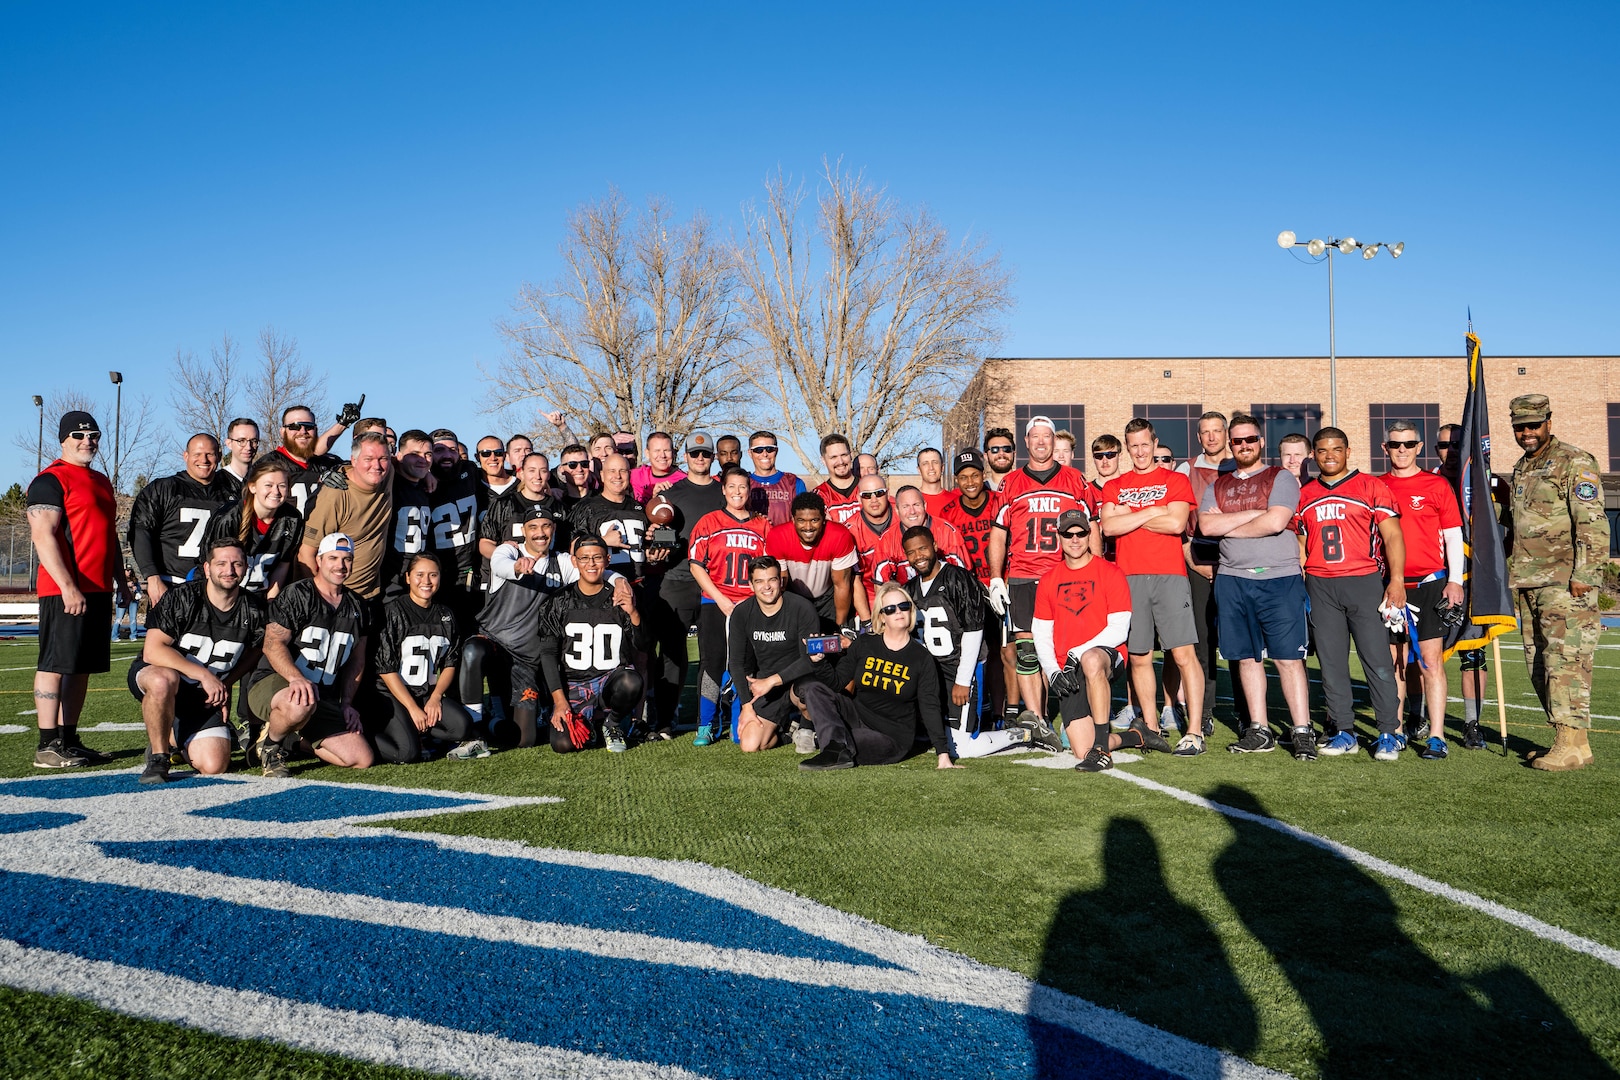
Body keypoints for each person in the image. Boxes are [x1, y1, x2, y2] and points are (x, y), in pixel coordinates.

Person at [1194, 415, 1313, 761]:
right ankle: (1259, 729)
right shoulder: (1219, 483)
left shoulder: (1281, 477)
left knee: (1288, 658)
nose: (1243, 445)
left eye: (1249, 439)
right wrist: (1256, 514)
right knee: (1246, 657)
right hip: (1233, 578)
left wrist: (1227, 523)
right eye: (1237, 441)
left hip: (1279, 577)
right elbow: (1205, 526)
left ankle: (1302, 729)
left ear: (1261, 441)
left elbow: (1277, 522)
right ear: (1230, 445)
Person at [1506, 393, 1609, 770]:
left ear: (1549, 420)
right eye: (1520, 427)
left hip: (1565, 582)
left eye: (1534, 425)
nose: (1527, 432)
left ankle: (1569, 739)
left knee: (1566, 662)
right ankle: (1575, 744)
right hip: (1530, 581)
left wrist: (1586, 575)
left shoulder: (1574, 461)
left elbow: (1593, 523)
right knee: (1540, 663)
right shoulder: (1522, 467)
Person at [1294, 427, 1407, 760]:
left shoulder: (1372, 487)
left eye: (1336, 449)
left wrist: (1396, 579)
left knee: (1378, 661)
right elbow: (1301, 543)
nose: (1330, 456)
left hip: (1363, 581)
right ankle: (1344, 730)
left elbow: (1393, 537)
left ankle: (1389, 732)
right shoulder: (1305, 494)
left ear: (1348, 451)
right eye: (1322, 450)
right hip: (1320, 583)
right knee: (1331, 664)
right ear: (1313, 454)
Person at [27, 411, 130, 768]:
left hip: (98, 589)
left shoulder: (101, 481)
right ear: (63, 440)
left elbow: (109, 536)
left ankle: (69, 740)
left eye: (93, 436)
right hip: (65, 591)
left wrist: (122, 582)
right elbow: (44, 537)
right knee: (55, 663)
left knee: (80, 666)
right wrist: (68, 587)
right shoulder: (49, 480)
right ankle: (47, 744)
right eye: (78, 436)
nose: (88, 442)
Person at [987, 414, 1097, 738]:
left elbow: (1094, 529)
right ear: (1027, 442)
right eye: (1034, 437)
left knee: (1069, 650)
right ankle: (1036, 718)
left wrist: (1097, 570)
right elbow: (998, 532)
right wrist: (996, 578)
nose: (1040, 442)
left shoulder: (1075, 480)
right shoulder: (1011, 483)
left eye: (1046, 437)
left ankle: (1073, 717)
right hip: (1022, 575)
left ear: (1053, 441)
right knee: (1027, 649)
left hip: (1064, 575)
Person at [1100, 418, 1201, 755]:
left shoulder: (1175, 479)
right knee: (1139, 656)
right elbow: (1109, 528)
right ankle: (1153, 727)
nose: (1140, 452)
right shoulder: (1115, 486)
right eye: (1134, 446)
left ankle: (1194, 730)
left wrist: (1134, 513)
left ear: (1154, 444)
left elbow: (1175, 523)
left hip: (1170, 575)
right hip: (1129, 578)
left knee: (1182, 654)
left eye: (1145, 445)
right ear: (1127, 448)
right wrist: (1151, 511)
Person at [129, 537, 266, 782]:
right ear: (207, 568)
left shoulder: (255, 608)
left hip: (202, 696)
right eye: (221, 563)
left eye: (237, 564)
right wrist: (204, 674)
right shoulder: (183, 597)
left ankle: (174, 735)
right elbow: (152, 651)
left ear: (246, 568)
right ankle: (159, 757)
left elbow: (255, 653)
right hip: (160, 678)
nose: (229, 570)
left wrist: (225, 684)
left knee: (214, 764)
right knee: (164, 679)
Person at [462, 508, 597, 749]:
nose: (540, 533)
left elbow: (594, 571)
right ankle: (471, 732)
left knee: (525, 739)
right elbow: (500, 564)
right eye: (533, 527)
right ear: (523, 531)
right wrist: (517, 566)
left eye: (546, 526)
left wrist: (618, 581)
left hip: (526, 660)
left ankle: (492, 723)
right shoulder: (509, 551)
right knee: (473, 650)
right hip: (494, 644)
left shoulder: (562, 563)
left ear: (553, 530)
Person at [905, 526, 1041, 757]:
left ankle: (1026, 733)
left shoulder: (958, 578)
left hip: (960, 668)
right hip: (932, 673)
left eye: (923, 548)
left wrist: (962, 680)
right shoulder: (910, 589)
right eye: (911, 552)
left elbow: (973, 631)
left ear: (935, 547)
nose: (918, 556)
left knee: (963, 749)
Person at [798, 581, 958, 771]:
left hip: (891, 736)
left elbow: (930, 706)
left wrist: (943, 754)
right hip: (858, 716)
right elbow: (836, 683)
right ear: (881, 617)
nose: (898, 612)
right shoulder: (864, 644)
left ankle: (834, 746)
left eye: (904, 606)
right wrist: (819, 661)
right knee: (812, 688)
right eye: (890, 609)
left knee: (845, 740)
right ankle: (835, 746)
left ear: (911, 612)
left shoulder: (921, 658)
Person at [250, 532, 374, 777]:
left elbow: (357, 661)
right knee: (299, 702)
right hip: (277, 683)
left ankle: (291, 741)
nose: (340, 565)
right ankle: (271, 746)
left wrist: (347, 704)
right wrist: (296, 678)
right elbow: (272, 644)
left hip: (318, 696)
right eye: (333, 558)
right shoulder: (298, 594)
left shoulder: (359, 606)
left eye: (347, 559)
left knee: (361, 758)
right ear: (319, 560)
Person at [1379, 420, 1466, 759]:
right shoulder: (1375, 485)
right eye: (1395, 444)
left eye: (1409, 444)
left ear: (1418, 447)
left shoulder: (1436, 485)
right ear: (1385, 448)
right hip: (1390, 587)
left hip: (1430, 584)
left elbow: (1453, 535)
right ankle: (1397, 730)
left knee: (1431, 662)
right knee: (1395, 663)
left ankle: (1437, 735)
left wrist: (1455, 580)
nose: (1402, 450)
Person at [1032, 510, 1135, 771]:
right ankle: (1137, 736)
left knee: (1090, 659)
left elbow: (1119, 630)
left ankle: (1103, 750)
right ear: (1059, 537)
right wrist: (1053, 672)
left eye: (1081, 533)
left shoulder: (1111, 572)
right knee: (1081, 750)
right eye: (1068, 534)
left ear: (1090, 535)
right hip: (1066, 668)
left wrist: (1076, 653)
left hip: (1104, 657)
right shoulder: (1048, 580)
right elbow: (1041, 633)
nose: (1075, 539)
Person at [372, 552, 484, 763]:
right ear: (407, 577)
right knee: (407, 753)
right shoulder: (394, 612)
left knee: (463, 726)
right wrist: (412, 708)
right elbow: (385, 669)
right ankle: (367, 736)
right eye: (420, 575)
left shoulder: (446, 615)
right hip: (393, 694)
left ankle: (418, 732)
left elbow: (450, 662)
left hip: (425, 692)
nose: (426, 581)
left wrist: (435, 697)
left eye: (433, 575)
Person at [539, 537, 647, 754]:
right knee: (564, 745)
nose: (591, 564)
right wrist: (560, 702)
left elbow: (643, 644)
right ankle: (594, 724)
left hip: (611, 681)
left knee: (631, 680)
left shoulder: (619, 598)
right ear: (574, 561)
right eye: (584, 558)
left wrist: (633, 612)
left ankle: (612, 723)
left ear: (607, 560)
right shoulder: (558, 601)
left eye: (597, 558)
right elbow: (548, 654)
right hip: (575, 684)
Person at [687, 467, 771, 745]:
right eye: (732, 486)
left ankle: (740, 719)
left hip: (750, 604)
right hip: (715, 600)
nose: (737, 492)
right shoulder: (709, 522)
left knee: (746, 664)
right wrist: (720, 598)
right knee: (713, 663)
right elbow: (696, 565)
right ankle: (706, 724)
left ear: (749, 491)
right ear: (723, 489)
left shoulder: (762, 526)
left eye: (743, 487)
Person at [652, 432, 726, 731]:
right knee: (672, 654)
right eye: (694, 454)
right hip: (678, 580)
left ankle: (704, 720)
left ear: (713, 458)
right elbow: (658, 536)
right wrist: (657, 546)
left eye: (705, 454)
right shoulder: (671, 495)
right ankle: (665, 719)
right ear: (685, 457)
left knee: (713, 656)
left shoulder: (724, 493)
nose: (700, 459)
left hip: (716, 583)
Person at [1174, 411, 1236, 741]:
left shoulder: (1240, 467)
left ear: (1225, 434)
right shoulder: (1188, 469)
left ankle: (1248, 716)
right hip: (1197, 563)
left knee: (1241, 641)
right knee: (1202, 642)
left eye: (1217, 431)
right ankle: (1206, 710)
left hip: (1237, 564)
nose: (1212, 437)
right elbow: (1180, 528)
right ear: (1198, 437)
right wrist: (1195, 563)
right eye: (1205, 432)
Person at [728, 556, 829, 753]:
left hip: (798, 681)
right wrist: (746, 706)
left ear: (781, 582)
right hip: (766, 687)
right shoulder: (742, 613)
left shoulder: (802, 608)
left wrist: (772, 681)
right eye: (759, 581)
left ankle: (807, 728)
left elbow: (809, 660)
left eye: (772, 579)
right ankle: (787, 732)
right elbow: (737, 663)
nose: (766, 586)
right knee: (750, 745)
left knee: (807, 690)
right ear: (751, 585)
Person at [127, 433, 233, 606]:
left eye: (210, 454)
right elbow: (141, 532)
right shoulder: (163, 488)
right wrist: (152, 578)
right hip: (170, 585)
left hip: (215, 590)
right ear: (186, 456)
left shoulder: (230, 495)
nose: (204, 460)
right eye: (197, 454)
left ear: (219, 457)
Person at [298, 431, 393, 606]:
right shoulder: (335, 495)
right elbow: (306, 554)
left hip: (371, 594)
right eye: (368, 459)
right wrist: (320, 601)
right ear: (354, 460)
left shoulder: (388, 475)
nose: (377, 465)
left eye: (383, 458)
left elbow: (408, 463)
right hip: (338, 597)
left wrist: (428, 476)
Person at [203, 454, 304, 597]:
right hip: (223, 595)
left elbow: (282, 565)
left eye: (282, 486)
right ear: (252, 487)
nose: (275, 491)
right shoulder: (229, 517)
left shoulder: (292, 518)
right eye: (268, 485)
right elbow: (210, 565)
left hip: (259, 597)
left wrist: (271, 601)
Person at [765, 492, 860, 632]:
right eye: (801, 520)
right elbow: (781, 586)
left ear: (823, 519)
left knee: (834, 644)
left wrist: (840, 627)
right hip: (794, 595)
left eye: (814, 520)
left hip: (829, 597)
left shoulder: (839, 535)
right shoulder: (778, 536)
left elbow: (842, 586)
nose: (808, 527)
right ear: (793, 519)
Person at [481, 450, 572, 584]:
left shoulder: (560, 508)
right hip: (511, 580)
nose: (537, 476)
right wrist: (504, 557)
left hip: (549, 581)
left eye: (542, 471)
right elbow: (485, 543)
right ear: (521, 474)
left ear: (548, 474)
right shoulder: (503, 503)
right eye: (531, 470)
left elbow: (567, 547)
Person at [569, 454, 660, 583]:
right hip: (604, 587)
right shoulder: (586, 507)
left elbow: (643, 548)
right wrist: (603, 541)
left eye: (622, 471)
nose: (617, 476)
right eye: (612, 471)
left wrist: (651, 554)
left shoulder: (638, 508)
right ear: (602, 475)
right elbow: (573, 549)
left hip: (639, 586)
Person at [426, 428, 485, 627]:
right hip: (437, 573)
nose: (447, 455)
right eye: (439, 450)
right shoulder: (419, 478)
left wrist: (550, 485)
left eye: (452, 450)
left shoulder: (469, 471)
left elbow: (502, 478)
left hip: (468, 571)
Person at [270, 405, 345, 517]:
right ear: (282, 431)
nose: (303, 431)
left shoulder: (330, 463)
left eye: (309, 427)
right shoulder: (268, 464)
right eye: (294, 427)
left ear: (315, 430)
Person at [890, 487, 972, 578]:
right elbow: (881, 586)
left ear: (925, 506)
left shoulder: (948, 532)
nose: (912, 511)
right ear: (897, 510)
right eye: (905, 507)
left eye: (916, 505)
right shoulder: (887, 539)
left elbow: (965, 577)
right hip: (906, 591)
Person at [746, 430, 806, 527]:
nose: (765, 454)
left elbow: (804, 519)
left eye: (770, 449)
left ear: (776, 451)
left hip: (785, 540)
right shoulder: (744, 484)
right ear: (750, 453)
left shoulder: (794, 483)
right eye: (758, 450)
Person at [815, 434, 863, 526]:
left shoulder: (868, 489)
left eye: (844, 455)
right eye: (833, 457)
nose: (840, 462)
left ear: (851, 455)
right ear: (823, 460)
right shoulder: (819, 496)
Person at [630, 431, 684, 503]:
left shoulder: (684, 480)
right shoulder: (635, 475)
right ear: (647, 453)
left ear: (673, 453)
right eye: (657, 451)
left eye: (666, 450)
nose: (662, 455)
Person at [219, 418, 261, 494]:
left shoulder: (263, 480)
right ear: (229, 443)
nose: (248, 447)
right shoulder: (217, 482)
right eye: (241, 441)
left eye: (254, 441)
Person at [916, 448, 955, 517]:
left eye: (935, 462)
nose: (931, 467)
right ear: (919, 470)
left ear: (942, 467)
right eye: (925, 464)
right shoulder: (911, 502)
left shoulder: (955, 501)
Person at [112, 567, 142, 641]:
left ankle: (133, 635)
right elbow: (115, 587)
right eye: (127, 570)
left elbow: (139, 588)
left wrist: (136, 589)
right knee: (119, 618)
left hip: (133, 600)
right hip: (123, 600)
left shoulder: (134, 579)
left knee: (133, 619)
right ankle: (114, 636)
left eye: (130, 570)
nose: (129, 572)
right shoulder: (119, 579)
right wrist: (126, 584)